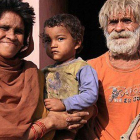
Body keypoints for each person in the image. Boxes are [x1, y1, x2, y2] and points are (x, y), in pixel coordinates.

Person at [0, 0, 94, 140]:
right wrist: (50, 123)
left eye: (19, 31)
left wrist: (85, 111)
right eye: (4, 28)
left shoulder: (32, 73)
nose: (12, 36)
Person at [87, 0, 140, 139]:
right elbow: (83, 123)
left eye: (127, 20)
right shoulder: (91, 68)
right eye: (113, 22)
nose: (119, 28)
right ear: (105, 28)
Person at [41, 13, 98, 140]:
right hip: (50, 124)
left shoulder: (81, 67)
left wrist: (64, 103)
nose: (53, 45)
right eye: (48, 40)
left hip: (72, 124)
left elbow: (90, 95)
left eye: (60, 39)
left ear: (77, 43)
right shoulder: (45, 71)